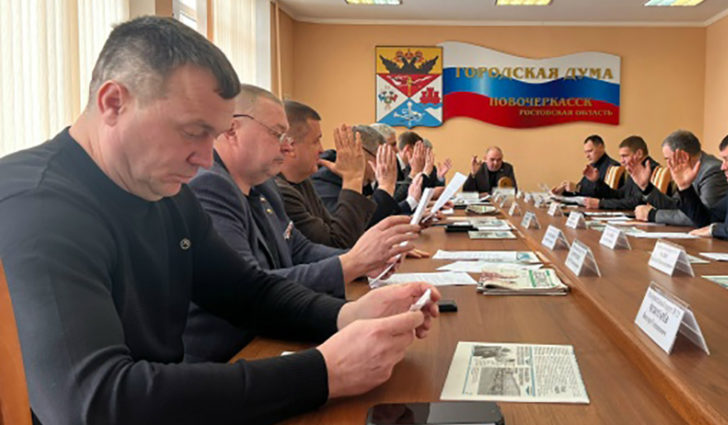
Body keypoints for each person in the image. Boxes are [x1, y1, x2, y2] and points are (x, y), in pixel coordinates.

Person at [0, 16, 439, 424]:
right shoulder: (37, 206)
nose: (206, 158)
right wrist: (324, 372)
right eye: (193, 132)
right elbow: (93, 401)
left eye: (213, 136)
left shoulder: (163, 190)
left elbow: (247, 292)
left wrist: (348, 314)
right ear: (114, 103)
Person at [187, 85, 419, 361]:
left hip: (273, 332)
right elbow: (250, 288)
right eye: (277, 134)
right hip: (232, 353)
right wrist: (351, 263)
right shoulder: (209, 186)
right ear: (232, 129)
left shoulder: (265, 186)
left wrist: (366, 260)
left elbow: (300, 249)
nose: (287, 146)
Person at [276, 101, 376, 248]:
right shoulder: (282, 193)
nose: (322, 150)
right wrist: (352, 179)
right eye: (316, 141)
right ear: (290, 146)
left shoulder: (303, 182)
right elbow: (337, 244)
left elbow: (333, 230)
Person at [312, 125, 423, 224]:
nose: (383, 164)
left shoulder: (365, 181)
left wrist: (411, 217)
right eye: (380, 158)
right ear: (359, 153)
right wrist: (385, 187)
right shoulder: (324, 180)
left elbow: (385, 215)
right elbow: (359, 225)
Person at [632, 130, 728, 226]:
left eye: (668, 159)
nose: (668, 165)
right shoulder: (687, 170)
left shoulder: (713, 171)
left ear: (684, 156)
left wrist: (653, 215)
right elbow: (676, 205)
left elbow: (703, 217)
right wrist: (646, 187)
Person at [582, 135, 661, 210]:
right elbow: (619, 195)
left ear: (639, 154)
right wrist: (597, 181)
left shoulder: (651, 170)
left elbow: (636, 202)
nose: (621, 161)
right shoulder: (635, 168)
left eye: (625, 156)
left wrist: (601, 203)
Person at [552, 134, 620, 196]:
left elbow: (607, 194)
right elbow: (581, 190)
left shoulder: (613, 167)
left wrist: (577, 188)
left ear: (601, 147)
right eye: (585, 152)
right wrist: (564, 191)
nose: (587, 156)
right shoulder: (592, 166)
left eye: (590, 151)